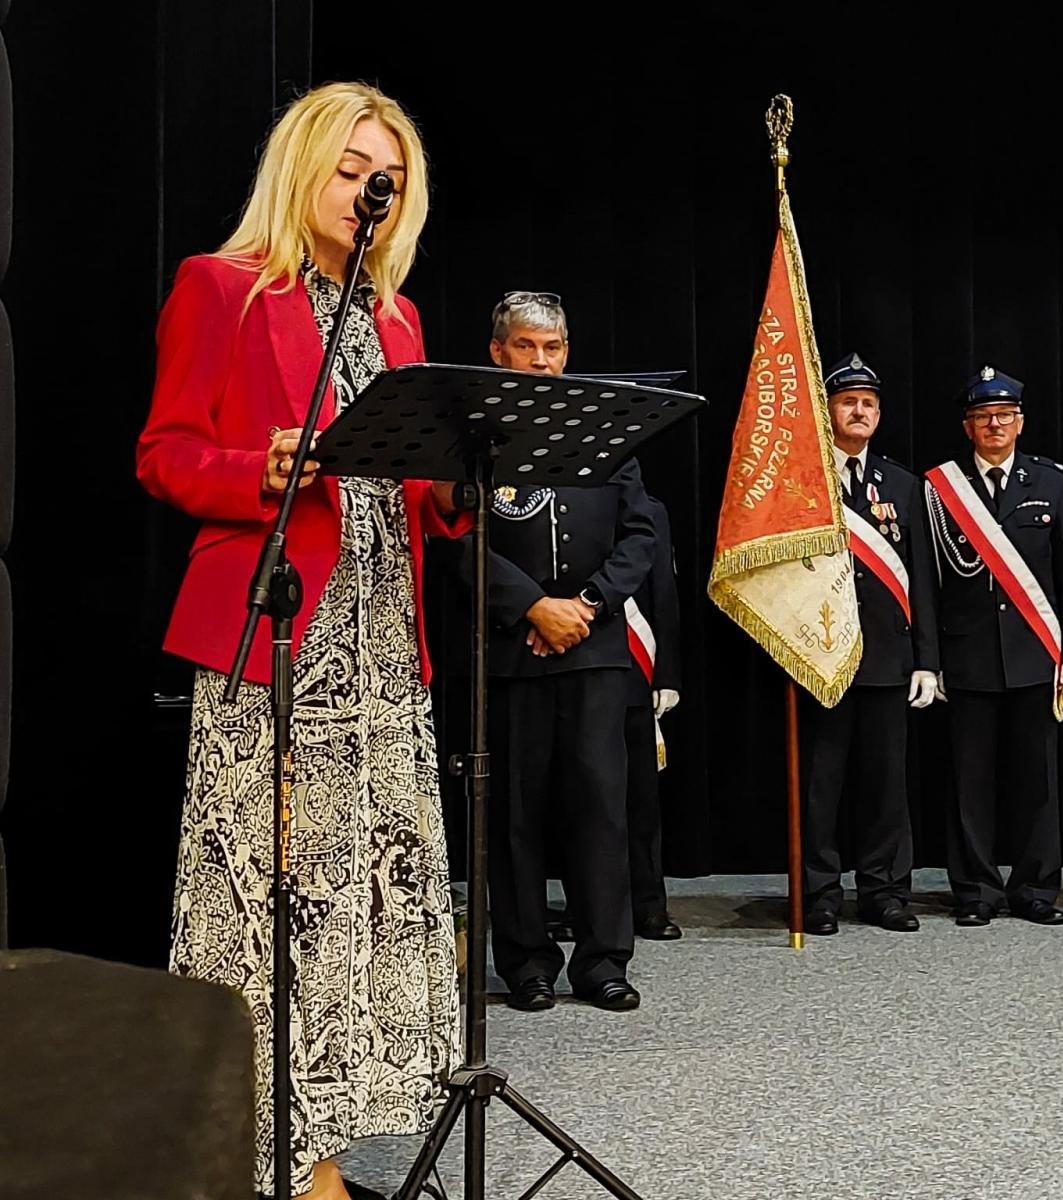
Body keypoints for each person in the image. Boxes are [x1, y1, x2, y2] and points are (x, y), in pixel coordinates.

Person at [136, 82, 463, 1200]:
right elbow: (165, 452)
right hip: (280, 637)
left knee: (361, 898)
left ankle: (322, 1132)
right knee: (273, 898)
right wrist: (253, 471)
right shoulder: (221, 289)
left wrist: (458, 489)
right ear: (306, 166)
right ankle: (276, 1151)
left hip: (381, 645)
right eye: (353, 166)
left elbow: (410, 487)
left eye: (393, 174)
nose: (374, 186)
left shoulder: (400, 319)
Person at [439, 290, 655, 1011]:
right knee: (515, 814)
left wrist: (585, 605)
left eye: (553, 348)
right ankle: (528, 960)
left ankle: (603, 960)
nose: (541, 361)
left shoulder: (604, 428)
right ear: (498, 352)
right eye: (527, 347)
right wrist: (531, 605)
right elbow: (456, 540)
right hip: (510, 652)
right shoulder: (470, 435)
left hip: (593, 651)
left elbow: (640, 538)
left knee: (600, 807)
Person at [923, 365, 1063, 927]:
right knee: (969, 782)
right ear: (968, 427)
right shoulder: (940, 487)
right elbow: (928, 580)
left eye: (1004, 416)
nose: (995, 425)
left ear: (1021, 422)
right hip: (966, 654)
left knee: (1038, 779)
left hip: (1035, 652)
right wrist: (930, 657)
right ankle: (974, 890)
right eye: (983, 417)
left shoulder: (1051, 481)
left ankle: (1036, 887)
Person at [801, 354, 940, 935]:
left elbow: (922, 577)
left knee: (886, 785)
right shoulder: (801, 481)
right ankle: (819, 892)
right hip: (818, 655)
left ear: (878, 416)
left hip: (887, 657)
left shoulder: (903, 485)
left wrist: (927, 660)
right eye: (847, 402)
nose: (858, 411)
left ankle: (884, 891)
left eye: (868, 405)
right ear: (828, 409)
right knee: (820, 785)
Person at [623, 492, 684, 941]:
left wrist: (667, 674)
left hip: (635, 668)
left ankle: (648, 905)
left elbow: (663, 589)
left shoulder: (649, 507)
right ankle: (587, 904)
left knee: (642, 799)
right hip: (571, 663)